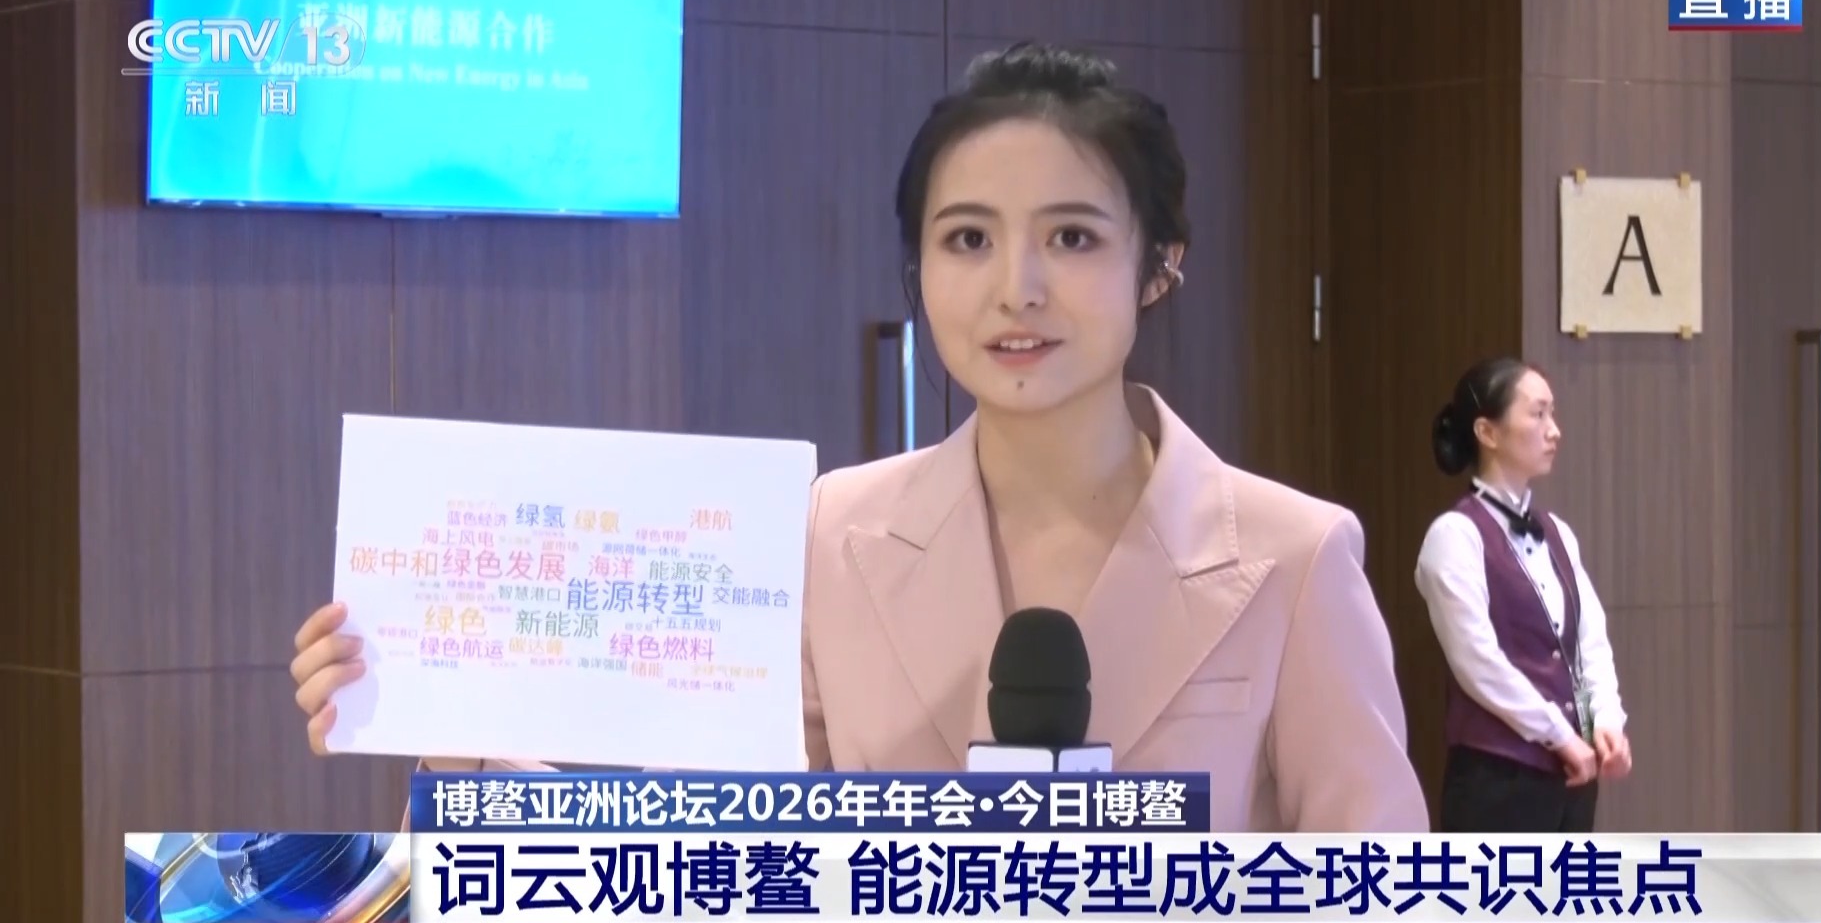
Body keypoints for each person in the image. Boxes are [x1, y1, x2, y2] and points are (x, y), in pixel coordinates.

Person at [290, 42, 1428, 831]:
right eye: (968, 239)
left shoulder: (1296, 556)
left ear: (1159, 264)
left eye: (1073, 238)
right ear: (918, 269)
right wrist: (449, 717)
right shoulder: (832, 528)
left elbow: (1383, 886)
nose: (1017, 288)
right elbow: (725, 848)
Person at [1415, 357, 1632, 832]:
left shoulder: (1558, 532)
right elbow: (1478, 662)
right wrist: (1557, 734)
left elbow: (1588, 642)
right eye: (1537, 414)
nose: (1554, 430)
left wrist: (1604, 720)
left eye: (1553, 413)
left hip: (1574, 774)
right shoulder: (1455, 535)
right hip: (1498, 779)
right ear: (1487, 432)